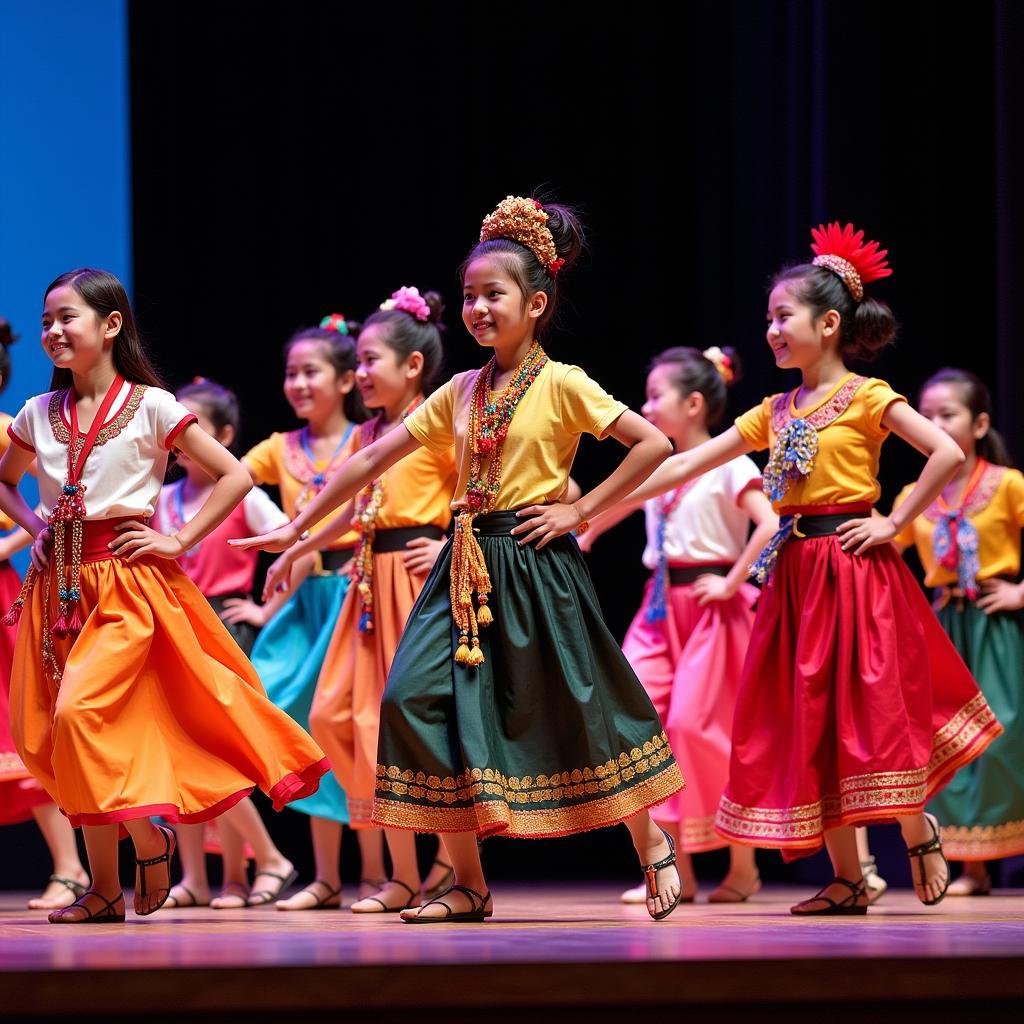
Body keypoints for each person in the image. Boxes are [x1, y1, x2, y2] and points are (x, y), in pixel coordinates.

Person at [236, 196, 686, 923]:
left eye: (493, 295)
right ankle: (469, 880)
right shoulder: (459, 389)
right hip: (463, 562)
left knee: (579, 704)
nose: (477, 308)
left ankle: (650, 838)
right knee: (410, 701)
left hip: (535, 561)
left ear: (535, 303)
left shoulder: (563, 382)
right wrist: (297, 528)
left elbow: (653, 445)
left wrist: (580, 509)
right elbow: (374, 458)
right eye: (471, 296)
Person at [606, 224, 1002, 915]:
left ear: (827, 323)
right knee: (809, 723)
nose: (772, 329)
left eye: (783, 316)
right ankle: (848, 877)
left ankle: (916, 827)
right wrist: (597, 502)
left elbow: (944, 452)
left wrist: (892, 522)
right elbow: (683, 461)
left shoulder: (870, 397)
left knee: (873, 713)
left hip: (854, 570)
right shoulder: (774, 410)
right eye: (768, 318)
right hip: (796, 576)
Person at [0, 268, 328, 923]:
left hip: (126, 586)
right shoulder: (38, 414)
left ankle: (150, 840)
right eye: (46, 322)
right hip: (58, 590)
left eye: (67, 317)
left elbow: (235, 476)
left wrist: (178, 542)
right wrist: (38, 527)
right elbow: (6, 482)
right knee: (61, 739)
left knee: (79, 716)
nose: (53, 331)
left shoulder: (151, 406)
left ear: (111, 325)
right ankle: (102, 888)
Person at [259, 287, 458, 913]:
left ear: (413, 367)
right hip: (368, 582)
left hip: (419, 585)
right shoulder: (369, 433)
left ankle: (447, 867)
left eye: (372, 361)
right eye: (361, 362)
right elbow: (351, 512)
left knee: (416, 726)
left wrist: (453, 542)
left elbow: (522, 487)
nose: (362, 373)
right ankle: (401, 873)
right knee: (336, 720)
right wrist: (297, 547)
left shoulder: (443, 422)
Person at [579, 346, 776, 904]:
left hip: (713, 609)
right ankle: (675, 867)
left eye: (656, 396)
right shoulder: (662, 467)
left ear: (693, 404)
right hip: (661, 606)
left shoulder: (732, 464)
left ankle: (742, 864)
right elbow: (621, 500)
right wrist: (588, 529)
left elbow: (769, 525)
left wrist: (737, 581)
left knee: (698, 728)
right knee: (636, 724)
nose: (646, 404)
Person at [241, 318, 386, 910]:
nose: (298, 383)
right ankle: (325, 875)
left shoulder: (368, 437)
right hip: (304, 607)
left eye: (311, 371)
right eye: (290, 373)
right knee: (294, 730)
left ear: (347, 378)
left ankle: (379, 872)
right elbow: (226, 480)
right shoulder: (280, 448)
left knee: (359, 730)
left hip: (360, 598)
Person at [154, 378, 302, 909]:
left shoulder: (243, 495)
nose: (179, 437)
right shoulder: (162, 497)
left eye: (193, 426)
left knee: (222, 756)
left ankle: (259, 864)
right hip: (172, 625)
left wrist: (264, 610)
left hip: (222, 628)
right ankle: (195, 876)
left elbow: (299, 548)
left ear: (223, 435)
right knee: (180, 754)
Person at [892, 368, 1024, 894]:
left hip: (996, 627)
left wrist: (1019, 592)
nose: (933, 424)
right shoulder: (914, 494)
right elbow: (880, 547)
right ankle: (961, 860)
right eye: (926, 415)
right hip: (942, 628)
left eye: (947, 414)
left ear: (979, 423)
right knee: (943, 739)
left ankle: (980, 865)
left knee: (1000, 737)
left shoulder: (1008, 484)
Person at [0, 316, 91, 911]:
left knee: (21, 725)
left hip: (2, 592)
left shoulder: (8, 427)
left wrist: (12, 541)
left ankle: (70, 866)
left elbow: (42, 497)